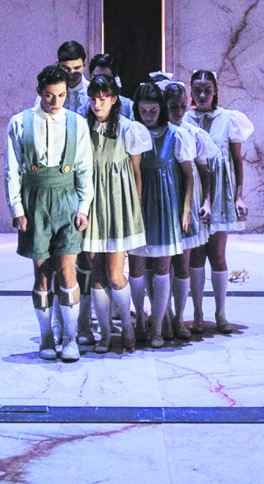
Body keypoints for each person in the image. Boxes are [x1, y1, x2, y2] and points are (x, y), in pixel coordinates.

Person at [6, 65, 94, 362]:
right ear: (39, 92)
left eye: (61, 95)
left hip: (67, 200)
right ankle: (46, 336)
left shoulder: (77, 123)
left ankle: (70, 338)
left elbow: (85, 169)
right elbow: (11, 170)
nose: (55, 102)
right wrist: (17, 209)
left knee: (68, 272)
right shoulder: (20, 122)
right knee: (42, 275)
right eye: (49, 95)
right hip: (35, 202)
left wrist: (83, 208)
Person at [82, 75, 151, 353]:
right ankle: (105, 335)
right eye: (93, 99)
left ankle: (129, 327)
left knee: (115, 273)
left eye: (103, 99)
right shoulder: (83, 127)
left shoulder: (127, 129)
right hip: (92, 206)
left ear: (113, 99)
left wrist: (135, 209)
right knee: (96, 273)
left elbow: (136, 173)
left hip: (119, 207)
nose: (97, 104)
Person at [184, 69, 254, 333]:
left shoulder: (228, 118)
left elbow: (237, 159)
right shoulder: (185, 118)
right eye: (197, 90)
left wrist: (239, 195)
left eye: (207, 90)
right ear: (191, 92)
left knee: (218, 254)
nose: (202, 95)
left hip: (220, 193)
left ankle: (221, 313)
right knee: (195, 256)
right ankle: (198, 313)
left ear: (215, 91)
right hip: (195, 191)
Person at [129, 82, 195, 348]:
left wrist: (186, 208)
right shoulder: (132, 132)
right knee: (136, 267)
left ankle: (158, 326)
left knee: (162, 267)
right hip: (138, 204)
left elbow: (189, 176)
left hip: (166, 205)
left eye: (153, 111)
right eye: (143, 111)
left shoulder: (176, 135)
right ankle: (140, 320)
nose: (148, 116)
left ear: (161, 109)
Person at [163, 81, 217, 334]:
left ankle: (180, 317)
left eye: (183, 106)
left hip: (187, 197)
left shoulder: (193, 133)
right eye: (173, 107)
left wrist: (206, 201)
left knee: (183, 262)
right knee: (161, 262)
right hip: (163, 197)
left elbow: (204, 171)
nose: (179, 111)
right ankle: (164, 314)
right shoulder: (157, 131)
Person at [79, 54, 133, 119]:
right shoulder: (82, 103)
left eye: (106, 77)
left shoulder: (128, 107)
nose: (100, 82)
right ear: (90, 77)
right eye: (96, 77)